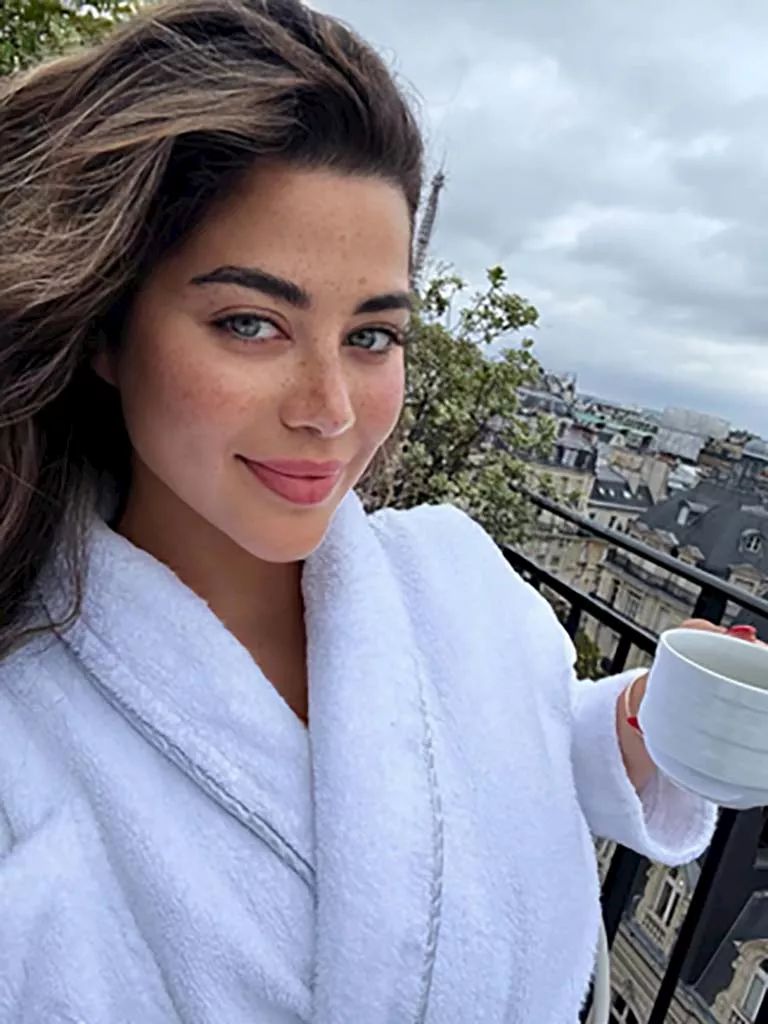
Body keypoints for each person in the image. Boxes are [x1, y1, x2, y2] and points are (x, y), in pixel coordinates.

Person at [0, 2, 719, 1022]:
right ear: (108, 330)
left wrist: (634, 729)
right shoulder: (25, 732)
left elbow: (493, 757)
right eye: (252, 323)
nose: (331, 410)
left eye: (372, 336)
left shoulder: (455, 579)